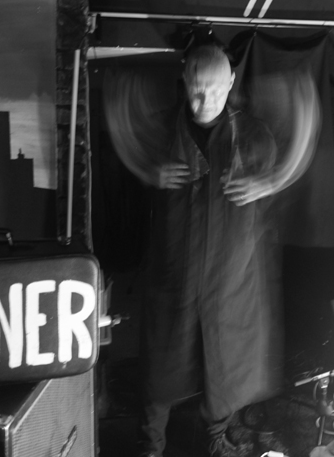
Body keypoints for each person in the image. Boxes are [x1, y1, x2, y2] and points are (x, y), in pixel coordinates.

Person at [104, 42, 320, 457]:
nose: (206, 102)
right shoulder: (165, 129)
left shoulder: (252, 134)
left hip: (229, 271)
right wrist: (151, 172)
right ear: (184, 81)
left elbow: (282, 178)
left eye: (217, 90)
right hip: (175, 268)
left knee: (224, 364)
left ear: (232, 82)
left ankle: (216, 437)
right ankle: (149, 445)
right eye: (198, 91)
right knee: (161, 365)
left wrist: (264, 184)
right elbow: (127, 157)